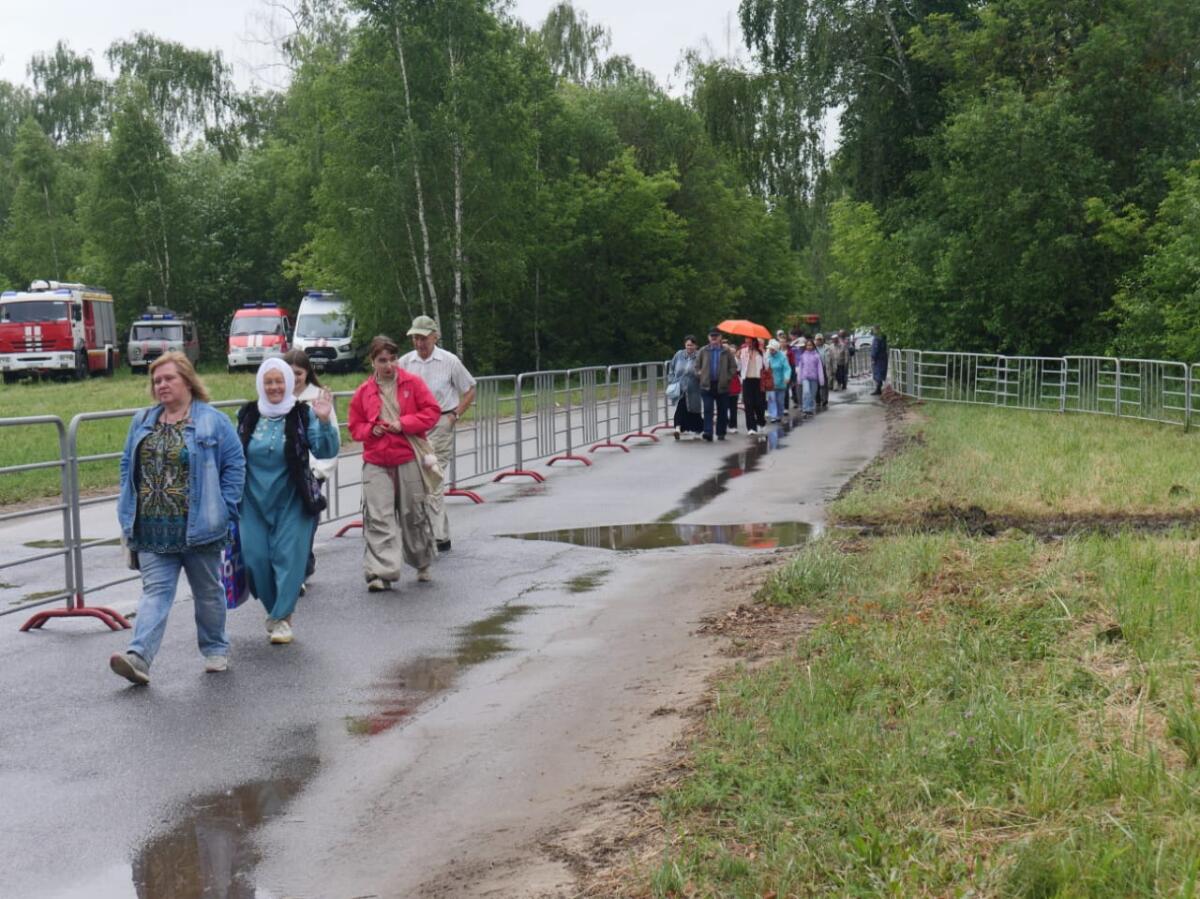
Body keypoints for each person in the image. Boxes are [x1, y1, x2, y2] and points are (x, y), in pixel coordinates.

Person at [110, 352, 245, 685]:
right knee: (155, 592)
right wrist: (127, 509)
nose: (162, 385)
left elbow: (235, 466)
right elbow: (128, 464)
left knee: (208, 592)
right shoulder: (142, 420)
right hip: (151, 530)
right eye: (157, 380)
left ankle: (215, 648)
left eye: (168, 378)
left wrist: (225, 508)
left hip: (200, 528)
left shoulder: (213, 421)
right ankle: (139, 657)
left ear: (187, 380)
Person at [237, 358, 339, 645]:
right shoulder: (247, 415)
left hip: (293, 499)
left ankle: (283, 618)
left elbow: (325, 448)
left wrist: (323, 420)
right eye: (268, 382)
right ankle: (275, 611)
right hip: (253, 501)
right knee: (255, 560)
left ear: (289, 382)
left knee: (289, 559)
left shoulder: (301, 414)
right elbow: (234, 454)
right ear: (260, 384)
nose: (274, 387)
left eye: (279, 381)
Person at [349, 335, 442, 591]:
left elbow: (432, 411)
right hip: (376, 460)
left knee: (413, 513)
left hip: (407, 456)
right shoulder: (363, 392)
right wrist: (371, 429)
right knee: (379, 517)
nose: (389, 365)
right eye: (382, 360)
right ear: (372, 361)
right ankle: (380, 572)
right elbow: (354, 427)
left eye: (392, 359)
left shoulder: (413, 383)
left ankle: (422, 561)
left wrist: (405, 423)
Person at [397, 315, 476, 554]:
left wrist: (454, 415)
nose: (419, 343)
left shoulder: (449, 361)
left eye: (423, 338)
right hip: (412, 426)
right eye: (415, 338)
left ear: (434, 337)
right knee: (414, 479)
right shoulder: (405, 362)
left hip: (440, 421)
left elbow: (470, 388)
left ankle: (438, 535)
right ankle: (434, 532)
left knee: (433, 476)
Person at [283, 349, 339, 587]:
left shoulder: (318, 398)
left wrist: (319, 471)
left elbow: (330, 436)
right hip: (285, 474)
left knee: (306, 522)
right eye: (290, 373)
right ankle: (294, 570)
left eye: (299, 373)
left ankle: (302, 565)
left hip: (311, 473)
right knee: (287, 525)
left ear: (307, 373)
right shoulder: (278, 397)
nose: (294, 378)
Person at [694, 329, 737, 442]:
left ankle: (721, 432)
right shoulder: (703, 351)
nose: (713, 338)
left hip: (722, 385)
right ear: (708, 337)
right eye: (711, 336)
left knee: (722, 410)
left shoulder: (726, 352)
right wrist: (699, 374)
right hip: (707, 385)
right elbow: (696, 366)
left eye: (716, 336)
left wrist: (727, 378)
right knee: (708, 409)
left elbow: (733, 367)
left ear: (720, 337)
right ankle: (708, 432)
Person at [667, 335, 703, 439]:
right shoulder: (679, 354)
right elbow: (671, 368)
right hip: (680, 387)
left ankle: (698, 428)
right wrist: (671, 380)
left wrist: (700, 374)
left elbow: (703, 370)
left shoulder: (699, 356)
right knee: (681, 407)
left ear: (695, 346)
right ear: (684, 345)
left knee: (693, 410)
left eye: (691, 345)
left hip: (694, 388)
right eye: (687, 345)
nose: (689, 347)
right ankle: (677, 428)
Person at [737, 337, 767, 434]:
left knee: (758, 404)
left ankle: (761, 422)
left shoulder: (761, 352)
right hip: (747, 380)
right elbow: (739, 367)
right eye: (746, 342)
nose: (748, 344)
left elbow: (766, 366)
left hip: (758, 380)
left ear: (755, 342)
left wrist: (764, 354)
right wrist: (737, 358)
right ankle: (751, 428)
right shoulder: (743, 351)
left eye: (750, 342)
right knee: (748, 404)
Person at [797, 337, 825, 418]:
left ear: (813, 346)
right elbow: (800, 368)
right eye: (807, 345)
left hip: (814, 378)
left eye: (810, 345)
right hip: (805, 377)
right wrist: (799, 378)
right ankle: (805, 409)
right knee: (806, 392)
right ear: (805, 346)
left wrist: (821, 379)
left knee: (812, 395)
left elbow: (820, 369)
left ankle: (810, 409)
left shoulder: (816, 356)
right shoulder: (803, 356)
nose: (809, 347)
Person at [765, 339, 792, 423]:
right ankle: (773, 415)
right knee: (772, 399)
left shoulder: (782, 357)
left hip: (781, 383)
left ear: (776, 349)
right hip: (771, 384)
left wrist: (787, 377)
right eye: (770, 349)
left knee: (780, 401)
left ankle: (779, 415)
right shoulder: (767, 356)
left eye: (772, 349)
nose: (771, 351)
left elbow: (787, 368)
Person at [870, 326, 889, 395]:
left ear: (876, 330)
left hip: (878, 359)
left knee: (877, 373)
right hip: (883, 357)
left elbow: (875, 349)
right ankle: (878, 388)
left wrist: (873, 358)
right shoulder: (883, 337)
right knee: (881, 373)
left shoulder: (877, 338)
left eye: (874, 329)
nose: (873, 331)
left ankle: (878, 389)